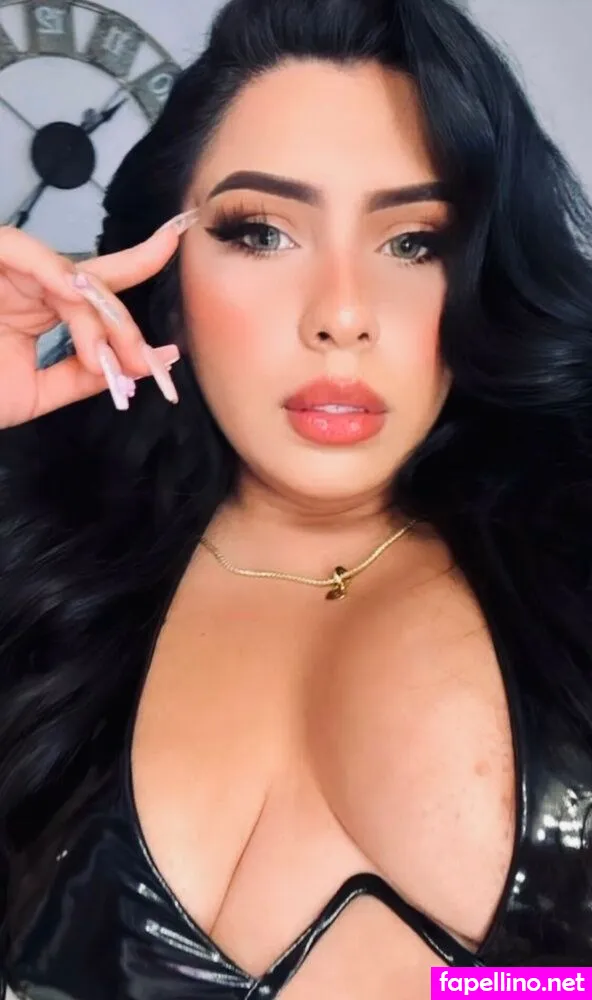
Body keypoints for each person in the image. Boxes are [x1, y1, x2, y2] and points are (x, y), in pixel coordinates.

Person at [1, 0, 592, 995]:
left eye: (414, 241)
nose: (342, 315)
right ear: (164, 268)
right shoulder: (38, 575)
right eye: (262, 232)